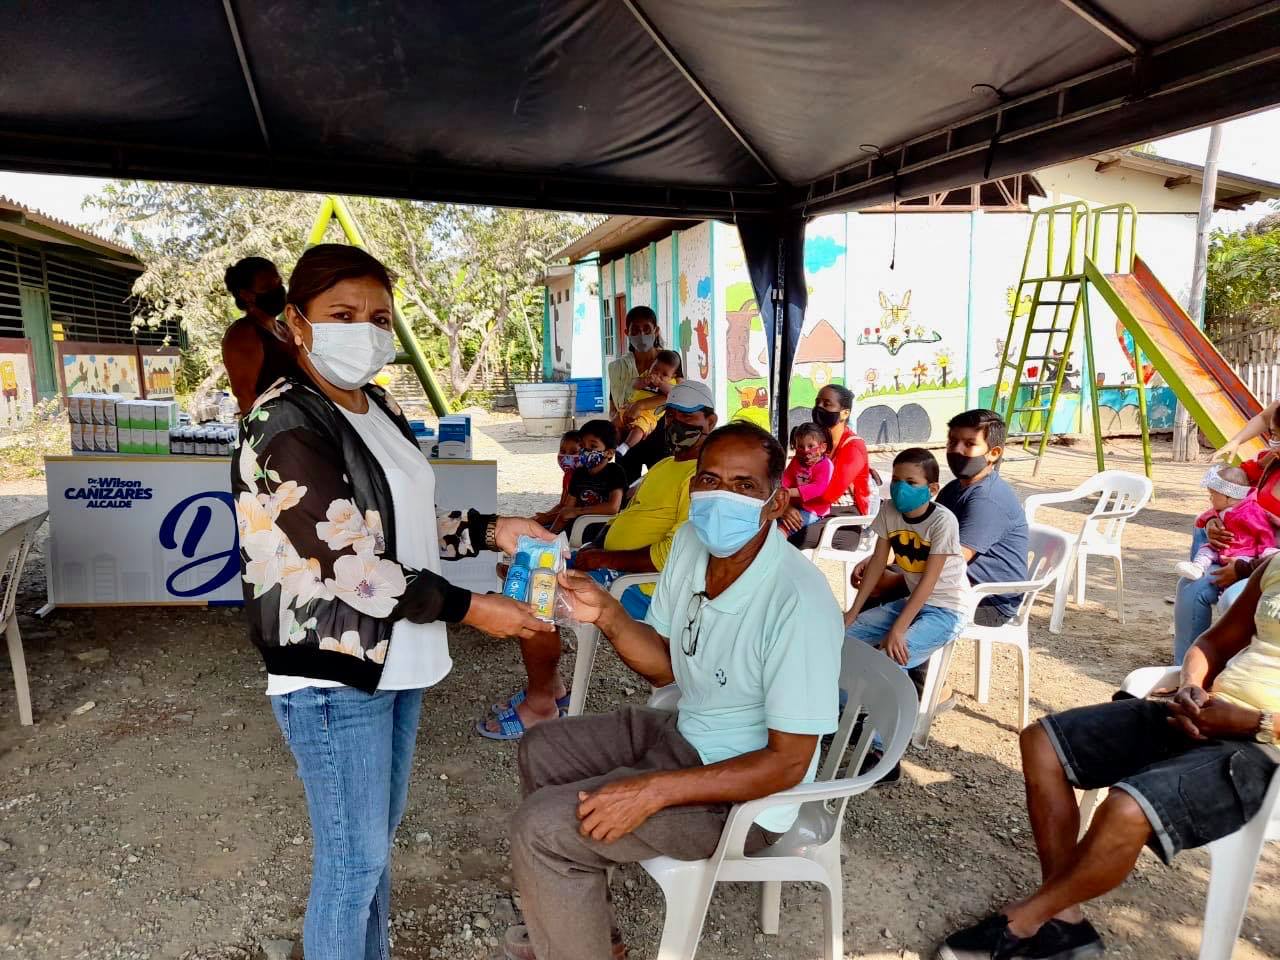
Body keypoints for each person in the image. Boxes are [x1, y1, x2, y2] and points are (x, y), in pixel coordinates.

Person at [231, 243, 556, 960]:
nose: (366, 331)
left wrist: (491, 530)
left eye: (379, 318)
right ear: (297, 320)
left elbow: (397, 525)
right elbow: (353, 565)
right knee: (352, 866)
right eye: (342, 314)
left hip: (400, 656)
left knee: (374, 847)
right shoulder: (283, 422)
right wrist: (475, 609)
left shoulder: (377, 405)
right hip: (332, 669)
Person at [507, 422, 842, 960]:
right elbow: (666, 667)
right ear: (692, 485)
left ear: (776, 501)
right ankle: (584, 933)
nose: (722, 497)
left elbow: (787, 764)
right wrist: (608, 614)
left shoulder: (797, 601)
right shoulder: (690, 542)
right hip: (690, 730)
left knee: (541, 829)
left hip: (748, 798)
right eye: (710, 480)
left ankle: (568, 920)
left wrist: (651, 790)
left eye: (744, 485)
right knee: (542, 746)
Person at [938, 558, 1280, 960]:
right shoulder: (1273, 565)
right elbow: (1214, 644)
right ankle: (1063, 917)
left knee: (1126, 808)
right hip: (1203, 712)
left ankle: (1027, 919)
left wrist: (1257, 722)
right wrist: (1191, 686)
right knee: (1042, 742)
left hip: (1263, 750)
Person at [480, 380, 718, 740]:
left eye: (687, 417)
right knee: (525, 569)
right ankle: (550, 688)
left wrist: (604, 558)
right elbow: (626, 513)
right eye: (670, 416)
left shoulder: (701, 478)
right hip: (609, 564)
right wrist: (592, 551)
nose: (675, 425)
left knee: (535, 592)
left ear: (709, 421)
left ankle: (542, 703)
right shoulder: (666, 465)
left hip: (640, 586)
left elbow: (671, 555)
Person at [844, 447, 969, 676]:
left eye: (911, 482)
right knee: (842, 637)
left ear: (932, 489)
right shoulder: (889, 510)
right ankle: (841, 697)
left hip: (947, 610)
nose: (901, 488)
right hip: (912, 601)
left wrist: (899, 629)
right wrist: (853, 611)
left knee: (890, 659)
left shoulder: (942, 522)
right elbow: (878, 562)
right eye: (896, 480)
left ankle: (885, 700)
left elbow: (929, 581)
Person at [783, 384, 874, 551]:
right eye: (817, 402)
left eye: (827, 404)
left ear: (845, 413)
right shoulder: (812, 442)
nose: (819, 408)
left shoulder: (853, 447)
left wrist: (788, 498)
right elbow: (790, 477)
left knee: (788, 536)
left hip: (842, 519)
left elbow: (827, 494)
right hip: (807, 509)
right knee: (766, 526)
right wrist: (786, 507)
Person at [220, 256, 296, 414]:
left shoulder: (284, 328)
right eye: (268, 287)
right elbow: (246, 397)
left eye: (279, 283)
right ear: (246, 295)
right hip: (274, 425)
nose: (277, 291)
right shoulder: (242, 335)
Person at [1177, 465, 1274, 581]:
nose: (1210, 499)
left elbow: (1264, 532)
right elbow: (1202, 519)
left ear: (1230, 498)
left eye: (1213, 495)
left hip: (1243, 553)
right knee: (1206, 550)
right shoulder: (1225, 507)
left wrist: (1267, 551)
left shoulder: (1251, 512)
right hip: (1220, 549)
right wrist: (1209, 520)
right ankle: (1197, 568)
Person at [615, 348, 682, 456]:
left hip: (648, 415)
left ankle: (625, 446)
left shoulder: (671, 383)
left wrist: (660, 384)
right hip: (629, 407)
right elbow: (635, 384)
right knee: (615, 423)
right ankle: (613, 444)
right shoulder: (646, 375)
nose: (658, 375)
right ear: (651, 366)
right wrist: (643, 381)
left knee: (639, 430)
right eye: (655, 369)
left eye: (664, 374)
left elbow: (673, 394)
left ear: (673, 376)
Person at [780, 421, 834, 531]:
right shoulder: (797, 460)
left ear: (822, 447)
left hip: (813, 510)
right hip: (795, 504)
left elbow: (818, 488)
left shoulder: (825, 465)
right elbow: (787, 478)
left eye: (810, 446)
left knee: (785, 528)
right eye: (800, 446)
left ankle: (779, 540)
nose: (805, 451)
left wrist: (788, 492)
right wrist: (781, 490)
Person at [533, 429, 584, 529]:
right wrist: (545, 515)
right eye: (562, 451)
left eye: (573, 452)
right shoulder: (568, 476)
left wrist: (546, 518)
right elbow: (561, 505)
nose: (566, 456)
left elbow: (570, 511)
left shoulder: (581, 479)